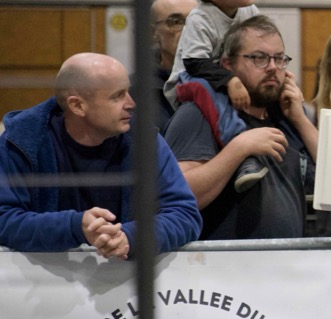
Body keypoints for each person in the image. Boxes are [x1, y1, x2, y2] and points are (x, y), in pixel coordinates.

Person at [0, 53, 201, 256]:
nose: (131, 103)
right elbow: (4, 219)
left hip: (124, 273)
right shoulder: (22, 142)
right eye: (117, 96)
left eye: (128, 92)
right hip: (42, 274)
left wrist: (130, 237)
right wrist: (75, 226)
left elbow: (184, 214)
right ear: (77, 105)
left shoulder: (144, 139)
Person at [165, 15, 318, 240]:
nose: (272, 67)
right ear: (228, 64)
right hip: (227, 260)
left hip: (288, 259)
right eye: (259, 58)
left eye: (279, 58)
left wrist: (300, 120)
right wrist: (239, 148)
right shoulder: (199, 115)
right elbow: (178, 196)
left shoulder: (287, 118)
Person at [162, 0, 265, 192]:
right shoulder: (201, 18)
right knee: (211, 93)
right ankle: (243, 152)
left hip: (221, 76)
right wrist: (231, 80)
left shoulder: (249, 11)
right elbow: (195, 63)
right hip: (190, 80)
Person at [138, 0, 198, 129]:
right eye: (176, 22)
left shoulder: (223, 81)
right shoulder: (136, 90)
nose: (188, 30)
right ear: (153, 32)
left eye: (195, 22)